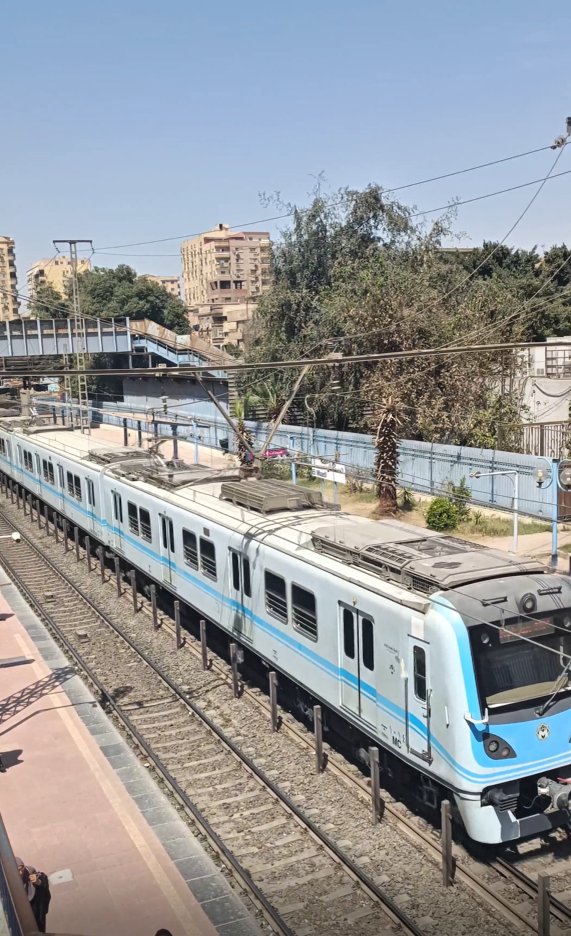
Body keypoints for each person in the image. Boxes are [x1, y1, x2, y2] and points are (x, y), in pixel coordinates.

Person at [15, 858, 51, 933]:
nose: (21, 872)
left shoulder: (30, 872)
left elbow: (43, 882)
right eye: (17, 870)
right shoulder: (12, 880)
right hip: (23, 914)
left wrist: (38, 882)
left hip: (38, 911)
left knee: (40, 929)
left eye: (21, 869)